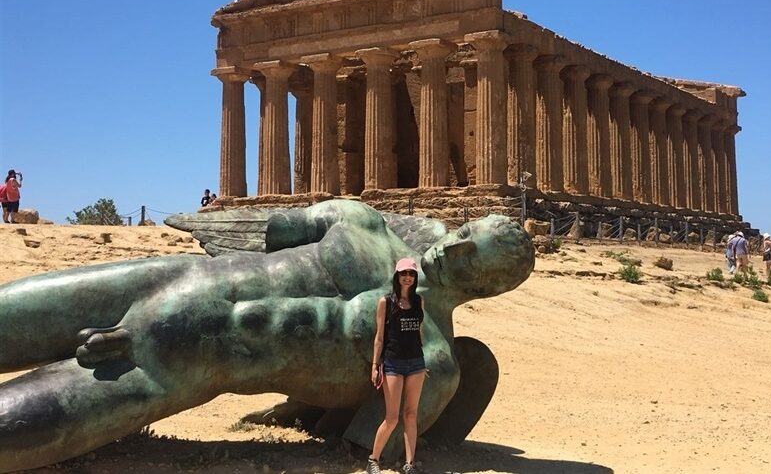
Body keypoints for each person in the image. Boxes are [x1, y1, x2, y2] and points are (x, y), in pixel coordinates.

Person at [0, 200, 534, 471]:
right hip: (168, 278)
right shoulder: (365, 222)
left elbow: (355, 446)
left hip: (179, 366)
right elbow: (271, 230)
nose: (452, 250)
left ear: (485, 289)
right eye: (464, 235)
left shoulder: (434, 361)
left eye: (470, 263)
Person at [368, 258, 425, 474]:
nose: (407, 277)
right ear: (397, 276)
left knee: (411, 414)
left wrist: (423, 359)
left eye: (411, 273)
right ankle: (373, 460)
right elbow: (379, 337)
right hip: (393, 363)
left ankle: (409, 464)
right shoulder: (386, 302)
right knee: (391, 418)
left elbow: (420, 333)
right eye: (404, 273)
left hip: (416, 364)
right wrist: (375, 365)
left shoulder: (419, 301)